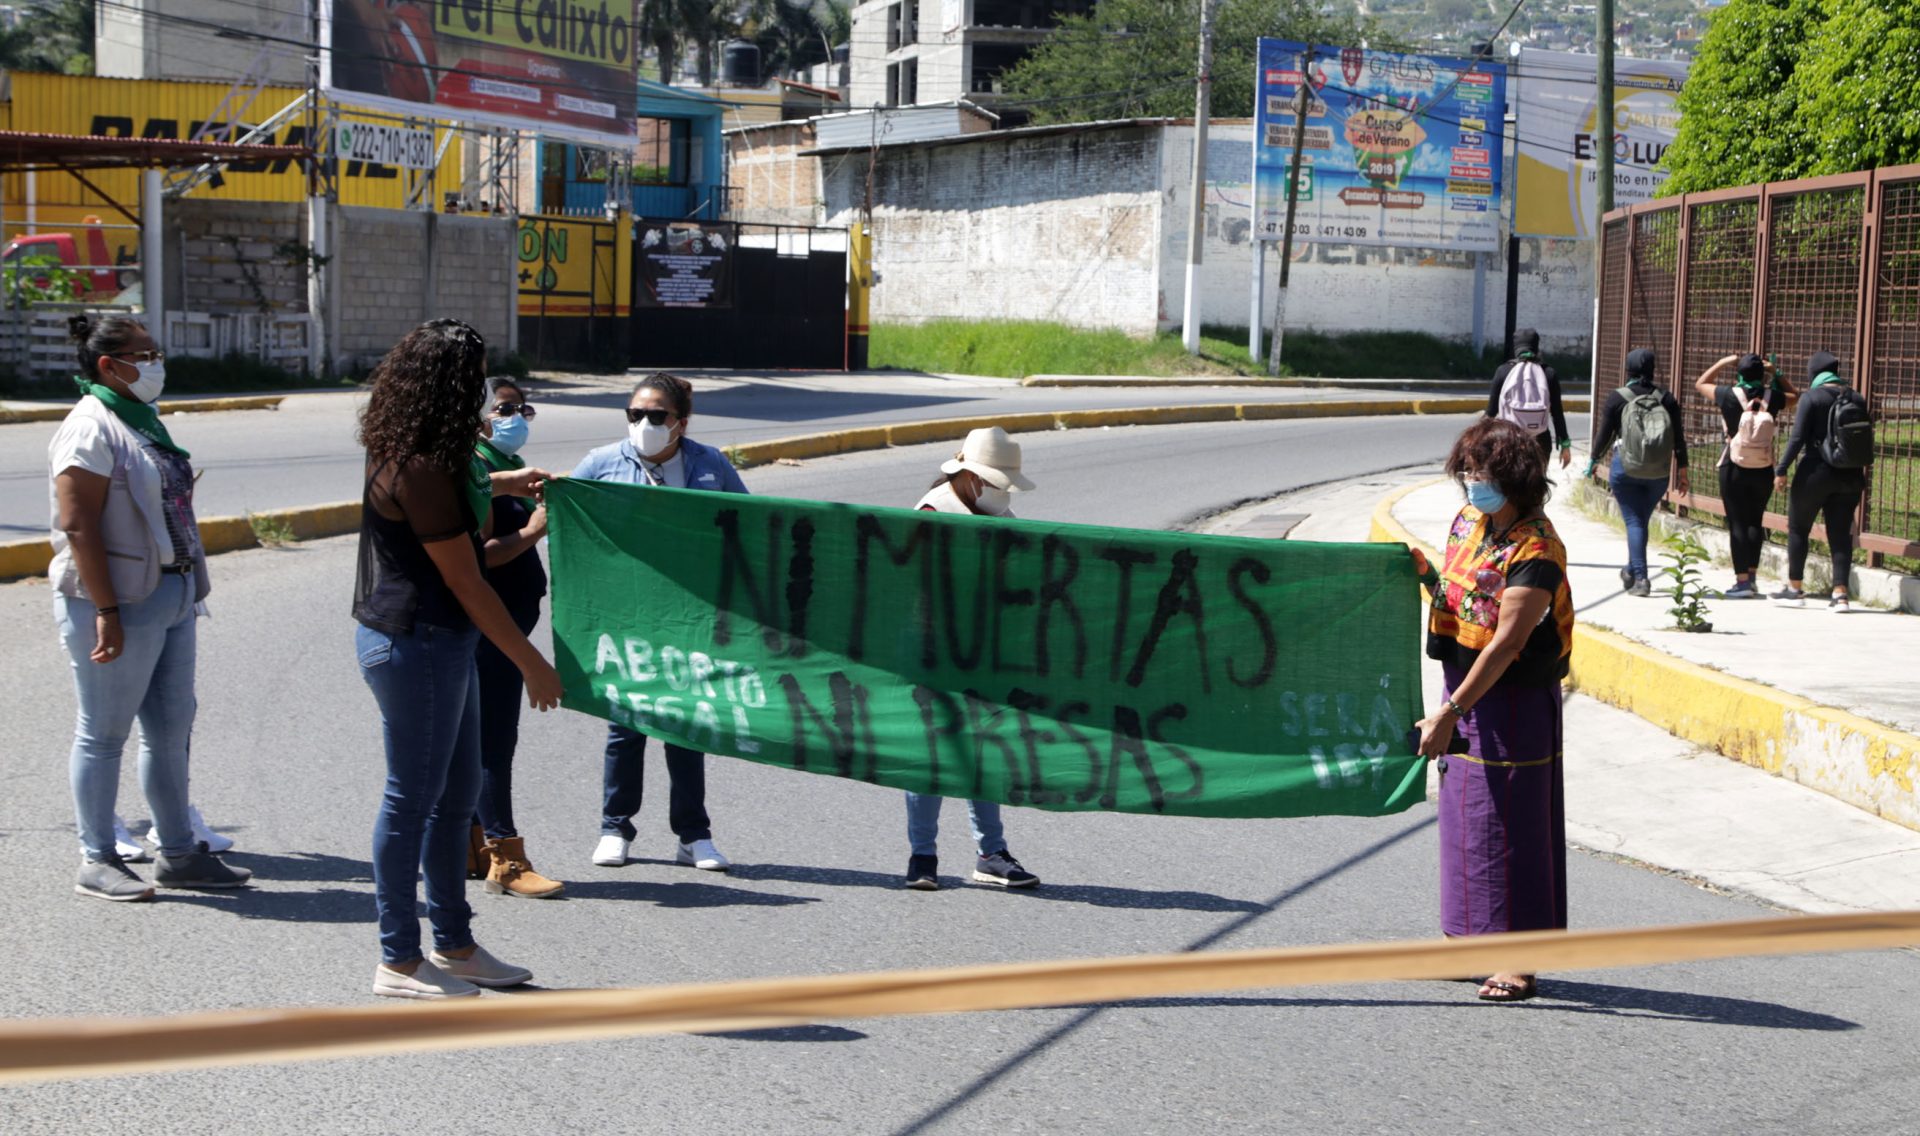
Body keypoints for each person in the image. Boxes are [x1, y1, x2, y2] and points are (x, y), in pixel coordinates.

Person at [355, 319, 562, 1000]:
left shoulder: (427, 445)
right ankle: (400, 959)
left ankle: (456, 943)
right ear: (449, 385)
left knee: (455, 799)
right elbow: (467, 580)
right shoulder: (418, 463)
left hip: (440, 642)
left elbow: (461, 503)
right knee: (411, 801)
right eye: (473, 380)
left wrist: (503, 482)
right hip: (418, 641)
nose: (480, 394)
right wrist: (531, 662)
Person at [50, 314, 253, 902]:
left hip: (172, 594)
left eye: (155, 351)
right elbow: (78, 524)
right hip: (116, 601)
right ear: (109, 366)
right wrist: (107, 612)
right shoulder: (89, 428)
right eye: (145, 354)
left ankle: (180, 854)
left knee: (170, 731)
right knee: (103, 733)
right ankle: (97, 858)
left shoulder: (139, 420)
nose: (156, 363)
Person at [1414, 418, 1574, 1003]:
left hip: (1511, 701)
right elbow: (1462, 598)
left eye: (1480, 473)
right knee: (1465, 818)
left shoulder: (1538, 549)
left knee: (1513, 825)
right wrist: (1425, 572)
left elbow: (1507, 642)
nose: (1470, 482)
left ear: (1513, 478)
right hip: (1464, 689)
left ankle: (1520, 960)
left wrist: (1451, 712)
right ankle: (1468, 940)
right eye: (1467, 471)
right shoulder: (1470, 524)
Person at [573, 373, 744, 873]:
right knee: (625, 724)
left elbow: (747, 523)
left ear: (680, 423)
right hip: (625, 616)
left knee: (685, 724)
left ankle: (694, 835)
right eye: (634, 415)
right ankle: (614, 827)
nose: (644, 424)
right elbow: (569, 524)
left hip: (688, 616)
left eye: (656, 416)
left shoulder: (710, 464)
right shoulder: (602, 464)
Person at [903, 426, 1041, 892]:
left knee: (984, 753)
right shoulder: (930, 515)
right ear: (971, 478)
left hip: (983, 655)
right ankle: (922, 856)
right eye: (996, 484)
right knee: (930, 757)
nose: (1003, 495)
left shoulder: (996, 514)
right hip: (931, 653)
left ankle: (991, 853)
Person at [468, 377, 563, 898]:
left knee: (480, 740)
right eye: (505, 407)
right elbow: (477, 556)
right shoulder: (477, 470)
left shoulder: (498, 470)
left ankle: (472, 843)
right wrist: (533, 531)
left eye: (524, 407)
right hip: (492, 626)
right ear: (481, 415)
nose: (516, 417)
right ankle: (504, 857)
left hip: (510, 618)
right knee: (494, 742)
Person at [1585, 347, 1690, 597]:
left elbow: (1604, 435)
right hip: (1658, 473)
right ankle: (1631, 570)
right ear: (1652, 370)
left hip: (1626, 468)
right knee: (1640, 521)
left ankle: (1641, 579)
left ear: (1628, 369)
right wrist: (1683, 472)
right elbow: (1679, 439)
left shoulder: (1617, 397)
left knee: (1634, 521)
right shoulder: (1667, 398)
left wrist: (1593, 460)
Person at [1772, 350, 1870, 612]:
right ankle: (1840, 595)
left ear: (1813, 373)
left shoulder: (1811, 397)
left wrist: (1781, 469)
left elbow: (1797, 438)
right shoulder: (1856, 397)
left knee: (1798, 528)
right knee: (1840, 534)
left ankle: (1795, 588)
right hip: (1850, 474)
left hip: (1815, 472)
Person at [1695, 353, 1795, 599]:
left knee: (1737, 523)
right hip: (1763, 467)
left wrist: (1721, 362)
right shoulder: (1773, 397)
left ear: (1738, 373)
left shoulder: (1729, 395)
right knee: (1755, 521)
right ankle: (1751, 578)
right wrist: (1777, 372)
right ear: (1762, 374)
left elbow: (1701, 384)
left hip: (1733, 466)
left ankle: (1741, 583)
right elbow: (1795, 396)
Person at [1485, 328, 1573, 469]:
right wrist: (1565, 445)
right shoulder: (1549, 373)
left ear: (1516, 348)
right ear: (1536, 347)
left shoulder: (1503, 371)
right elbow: (1557, 413)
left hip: (1508, 441)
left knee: (1510, 487)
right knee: (1536, 488)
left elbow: (1491, 412)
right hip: (1540, 441)